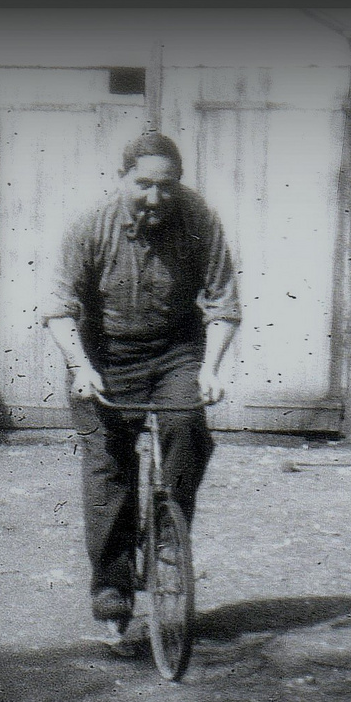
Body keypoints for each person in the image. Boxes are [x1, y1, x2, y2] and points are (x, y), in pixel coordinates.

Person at [42, 131, 241, 634]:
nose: (155, 198)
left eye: (167, 186)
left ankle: (166, 546)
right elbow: (60, 310)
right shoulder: (91, 228)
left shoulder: (200, 222)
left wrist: (210, 369)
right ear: (123, 179)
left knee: (186, 427)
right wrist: (81, 367)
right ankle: (112, 588)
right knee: (108, 468)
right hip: (104, 355)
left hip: (176, 351)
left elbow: (223, 305)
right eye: (144, 184)